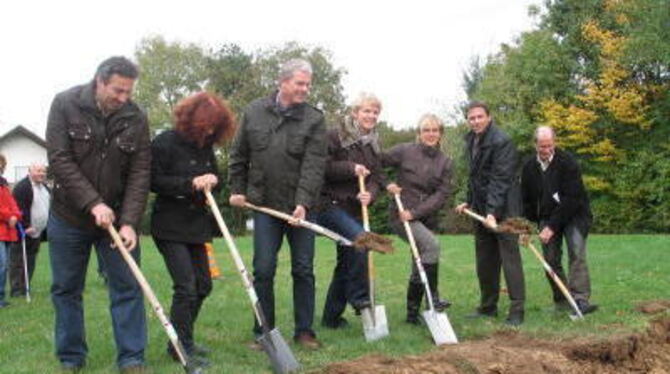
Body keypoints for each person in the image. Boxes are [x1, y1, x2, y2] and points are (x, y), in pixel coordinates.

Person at [46, 56, 151, 372]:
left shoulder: (136, 116)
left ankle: (132, 358)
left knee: (128, 287)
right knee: (66, 289)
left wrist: (130, 222)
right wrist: (93, 203)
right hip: (69, 217)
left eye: (128, 92)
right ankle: (71, 357)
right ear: (99, 81)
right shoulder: (65, 104)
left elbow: (140, 172)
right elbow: (60, 159)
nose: (123, 98)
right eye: (118, 91)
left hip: (118, 221)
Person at [229, 59, 327, 349]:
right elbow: (238, 155)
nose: (305, 89)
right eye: (300, 83)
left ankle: (305, 331)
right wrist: (237, 189)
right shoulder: (253, 112)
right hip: (264, 207)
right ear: (282, 82)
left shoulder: (314, 119)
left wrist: (303, 203)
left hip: (300, 209)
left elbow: (314, 165)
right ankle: (264, 332)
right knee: (263, 269)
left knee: (303, 269)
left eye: (308, 84)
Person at [150, 91, 236, 366]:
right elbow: (154, 181)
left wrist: (213, 179)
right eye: (206, 125)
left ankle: (183, 340)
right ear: (191, 119)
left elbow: (214, 179)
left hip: (197, 225)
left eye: (214, 127)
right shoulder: (164, 142)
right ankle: (180, 347)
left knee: (203, 285)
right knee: (186, 287)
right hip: (170, 225)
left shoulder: (205, 146)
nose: (209, 131)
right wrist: (190, 183)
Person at [315, 92, 386, 329]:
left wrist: (371, 194)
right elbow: (321, 168)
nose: (371, 116)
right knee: (361, 242)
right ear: (355, 113)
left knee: (346, 261)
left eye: (375, 112)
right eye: (366, 111)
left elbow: (377, 178)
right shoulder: (335, 136)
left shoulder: (373, 144)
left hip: (353, 209)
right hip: (328, 205)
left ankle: (331, 318)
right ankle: (359, 298)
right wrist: (351, 168)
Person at [455, 101, 525, 326]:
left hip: (504, 211)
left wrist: (493, 212)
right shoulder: (472, 140)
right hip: (482, 210)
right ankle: (488, 307)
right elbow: (475, 177)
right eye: (471, 118)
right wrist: (470, 201)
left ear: (489, 117)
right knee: (485, 261)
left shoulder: (501, 141)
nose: (475, 121)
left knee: (510, 259)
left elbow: (500, 179)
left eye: (479, 117)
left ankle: (517, 310)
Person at [521, 126, 597, 315]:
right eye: (542, 146)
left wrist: (552, 227)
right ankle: (563, 299)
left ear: (554, 143)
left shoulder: (568, 162)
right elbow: (527, 201)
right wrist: (526, 227)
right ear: (535, 145)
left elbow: (572, 200)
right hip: (546, 216)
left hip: (574, 215)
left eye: (549, 146)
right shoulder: (529, 167)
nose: (546, 150)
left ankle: (580, 299)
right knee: (550, 260)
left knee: (576, 252)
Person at [384, 114, 453, 325]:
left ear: (440, 133)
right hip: (400, 216)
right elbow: (375, 163)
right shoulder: (404, 151)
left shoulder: (445, 162)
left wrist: (415, 213)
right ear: (419, 133)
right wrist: (386, 184)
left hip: (422, 217)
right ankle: (433, 299)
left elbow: (441, 195)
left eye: (435, 130)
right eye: (426, 130)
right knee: (432, 247)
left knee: (420, 261)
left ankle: (412, 315)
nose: (430, 134)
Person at [9, 163, 50, 298]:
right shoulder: (22, 187)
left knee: (31, 259)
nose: (41, 174)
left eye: (43, 171)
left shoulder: (44, 187)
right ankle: (16, 291)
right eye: (38, 171)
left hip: (37, 232)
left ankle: (26, 287)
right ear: (30, 171)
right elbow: (18, 208)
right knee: (18, 261)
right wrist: (26, 226)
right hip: (23, 230)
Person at [0, 154, 22, 308]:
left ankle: (1, 296)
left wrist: (15, 215)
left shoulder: (4, 184)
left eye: (1, 164)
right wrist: (9, 217)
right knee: (1, 264)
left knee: (5, 265)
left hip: (8, 231)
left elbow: (13, 203)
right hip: (3, 228)